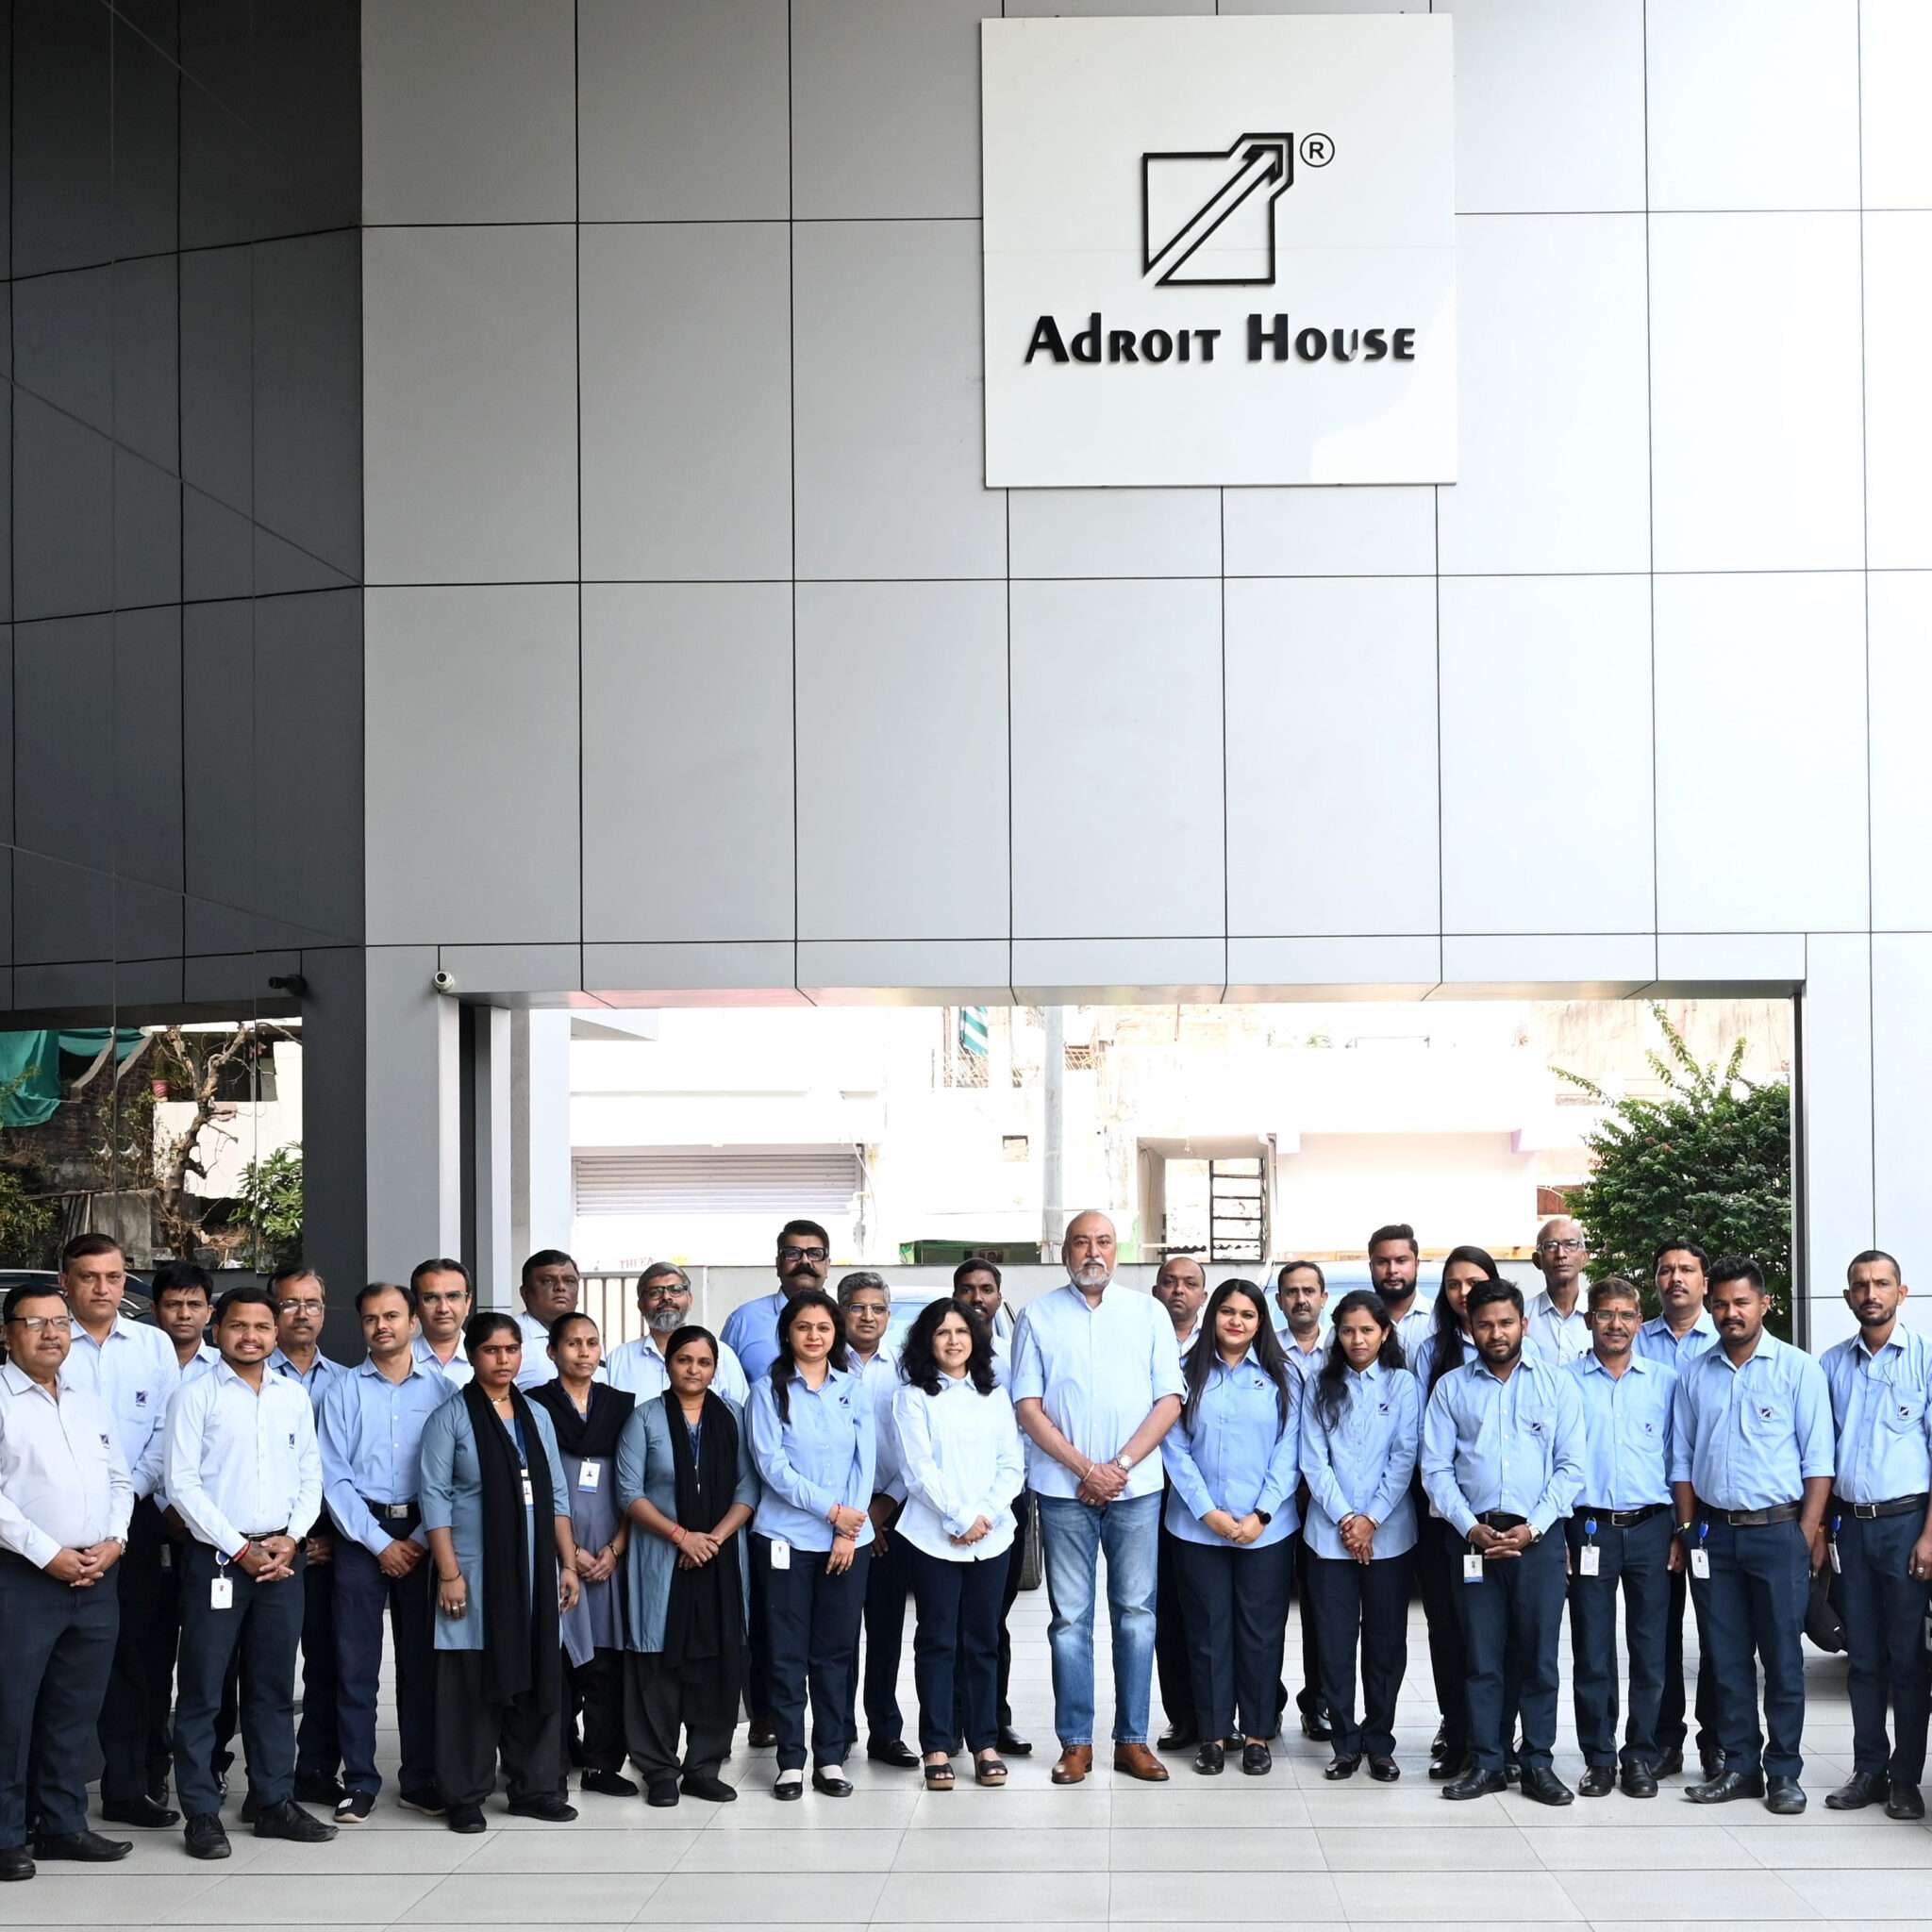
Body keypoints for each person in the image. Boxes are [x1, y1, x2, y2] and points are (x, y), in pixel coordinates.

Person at [1011, 1209, 1184, 1787]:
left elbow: (1169, 1400)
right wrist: (1086, 1469)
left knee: (1135, 1614)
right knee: (1070, 1619)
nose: (1093, 1252)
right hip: (1064, 1491)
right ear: (1064, 1252)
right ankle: (1076, 1743)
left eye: (1104, 1242)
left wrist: (1119, 1467)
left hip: (1136, 1489)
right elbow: (1028, 1406)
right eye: (1081, 1242)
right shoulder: (1037, 1316)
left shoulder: (1148, 1313)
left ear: (1117, 1250)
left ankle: (1132, 1740)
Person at [164, 1285, 336, 1858]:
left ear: (276, 1332)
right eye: (239, 1326)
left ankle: (272, 1801)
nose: (251, 1337)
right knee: (203, 1690)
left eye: (262, 1326)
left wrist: (293, 1538)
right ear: (217, 1329)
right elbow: (181, 1484)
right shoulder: (195, 1396)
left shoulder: (292, 1396)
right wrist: (239, 1549)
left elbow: (310, 1474)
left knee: (273, 1688)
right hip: (218, 1560)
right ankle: (201, 1812)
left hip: (281, 1562)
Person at [1671, 1255, 1833, 1814]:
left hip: (1778, 1532)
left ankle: (1784, 1772)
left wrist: (1804, 1534)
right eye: (1720, 1304)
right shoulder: (1695, 1374)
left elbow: (1819, 1462)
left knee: (1783, 1659)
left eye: (1741, 1302)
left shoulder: (1797, 1369)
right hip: (1714, 1537)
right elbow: (1681, 1460)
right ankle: (1740, 1766)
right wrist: (1689, 1530)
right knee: (1726, 1657)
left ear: (1764, 1303)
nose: (1730, 1313)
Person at [1422, 1277, 1584, 1807]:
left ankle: (1537, 1763)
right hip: (1473, 1539)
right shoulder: (1451, 1389)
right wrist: (1470, 1526)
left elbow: (1571, 1467)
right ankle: (1487, 1761)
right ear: (1470, 1328)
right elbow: (1436, 1468)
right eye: (1485, 1324)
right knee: (1481, 1656)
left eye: (1506, 1323)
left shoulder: (1557, 1385)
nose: (1496, 1333)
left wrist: (1533, 1528)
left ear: (1524, 1324)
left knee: (1538, 1658)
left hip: (1538, 1539)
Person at [419, 1312, 581, 1833]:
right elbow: (434, 1499)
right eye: (491, 1350)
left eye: (511, 1350)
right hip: (474, 1572)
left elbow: (556, 1494)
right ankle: (465, 1795)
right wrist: (448, 1573)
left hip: (533, 1573)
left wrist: (568, 1563)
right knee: (469, 1684)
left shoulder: (537, 1415)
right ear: (473, 1355)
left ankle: (534, 1788)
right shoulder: (450, 1417)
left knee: (537, 1675)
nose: (503, 1359)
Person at [0, 1284, 135, 1880]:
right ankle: (6, 1834)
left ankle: (61, 1825)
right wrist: (46, 1553)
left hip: (95, 1576)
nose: (52, 1334)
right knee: (11, 1710)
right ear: (7, 1334)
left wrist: (115, 1540)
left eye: (60, 1323)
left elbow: (119, 1480)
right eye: (36, 1323)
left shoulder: (86, 1400)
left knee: (74, 1710)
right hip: (23, 1578)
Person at [316, 1281, 455, 1823]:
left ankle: (420, 1779)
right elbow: (333, 1476)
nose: (382, 1327)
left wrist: (417, 1540)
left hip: (426, 1531)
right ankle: (359, 1780)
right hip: (360, 1535)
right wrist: (379, 1543)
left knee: (422, 1665)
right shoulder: (343, 1392)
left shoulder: (443, 1390)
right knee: (355, 1665)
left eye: (392, 1316)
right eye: (371, 1318)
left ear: (413, 1322)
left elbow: (452, 1474)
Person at [59, 1233, 181, 1831]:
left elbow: (166, 1430)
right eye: (89, 1277)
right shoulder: (51, 1341)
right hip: (61, 1525)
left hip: (135, 1518)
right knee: (61, 1665)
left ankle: (129, 1788)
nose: (103, 1288)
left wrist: (122, 1502)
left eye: (112, 1277)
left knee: (135, 1655)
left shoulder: (152, 1344)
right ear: (67, 1283)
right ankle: (47, 1801)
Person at [1161, 1279, 1300, 1778]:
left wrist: (1261, 1514)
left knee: (1260, 1633)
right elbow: (1174, 1447)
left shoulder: (1284, 1375)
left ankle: (1258, 1734)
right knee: (1207, 1633)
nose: (1236, 1322)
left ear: (1261, 1322)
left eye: (1247, 1314)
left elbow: (1290, 1449)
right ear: (1212, 1316)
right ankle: (1214, 1735)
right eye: (1227, 1312)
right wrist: (1208, 1512)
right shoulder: (1185, 1372)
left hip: (1266, 1530)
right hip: (1198, 1528)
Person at [617, 1324, 760, 1807]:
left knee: (718, 1660)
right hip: (662, 1558)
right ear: (669, 1364)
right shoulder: (644, 1418)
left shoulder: (734, 1416)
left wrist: (713, 1540)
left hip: (720, 1559)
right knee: (656, 1663)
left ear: (715, 1369)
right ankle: (659, 1769)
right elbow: (629, 1492)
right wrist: (682, 1537)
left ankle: (703, 1766)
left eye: (703, 1362)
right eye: (684, 1360)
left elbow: (748, 1487)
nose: (694, 1370)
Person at [745, 1290, 875, 1798]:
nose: (814, 1336)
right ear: (788, 1333)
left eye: (823, 1327)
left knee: (836, 1652)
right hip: (786, 1538)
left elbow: (864, 1462)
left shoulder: (852, 1388)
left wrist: (847, 1528)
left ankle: (830, 1757)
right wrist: (832, 1512)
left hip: (847, 1542)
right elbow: (772, 1467)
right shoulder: (767, 1391)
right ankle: (791, 1761)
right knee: (785, 1652)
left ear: (835, 1332)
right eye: (804, 1327)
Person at [892, 1299, 1024, 1789]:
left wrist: (983, 1515)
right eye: (942, 1332)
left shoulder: (995, 1395)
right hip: (934, 1537)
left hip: (992, 1536)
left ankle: (984, 1742)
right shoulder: (912, 1397)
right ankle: (936, 1745)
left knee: (983, 1641)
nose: (953, 1341)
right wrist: (960, 1516)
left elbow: (1012, 1464)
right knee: (937, 1641)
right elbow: (917, 1469)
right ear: (927, 1341)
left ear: (976, 1338)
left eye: (962, 1332)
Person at [1819, 1249, 1932, 1821]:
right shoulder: (1831, 1365)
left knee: (1907, 1658)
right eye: (1861, 1285)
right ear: (1848, 1297)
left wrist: (1930, 1536)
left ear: (1901, 1293)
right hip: (1849, 1529)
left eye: (1882, 1284)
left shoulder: (1926, 1360)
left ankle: (1906, 1778)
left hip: (1907, 1526)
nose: (1871, 1294)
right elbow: (1818, 1452)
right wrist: (1820, 1527)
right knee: (1862, 1656)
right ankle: (1868, 1769)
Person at [720, 1218, 835, 1746]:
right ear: (777, 1261)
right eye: (793, 1252)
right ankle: (766, 1714)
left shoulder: (838, 1318)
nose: (804, 1261)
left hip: (835, 1507)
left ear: (828, 1262)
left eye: (815, 1252)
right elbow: (723, 1392)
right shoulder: (744, 1321)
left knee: (834, 1632)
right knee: (769, 1618)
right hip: (764, 1496)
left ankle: (836, 1727)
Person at [1564, 1278, 1678, 1799]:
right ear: (1590, 1321)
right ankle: (1599, 1757)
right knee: (1592, 1650)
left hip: (1652, 1527)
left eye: (1626, 1315)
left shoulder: (1665, 1382)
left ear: (1639, 1321)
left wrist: (1680, 1530)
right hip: (1589, 1529)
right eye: (1606, 1314)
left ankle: (1640, 1755)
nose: (1616, 1324)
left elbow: (1679, 1458)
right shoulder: (1564, 1383)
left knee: (1651, 1649)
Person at [1299, 1290, 1419, 1782]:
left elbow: (1404, 1457)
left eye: (1367, 1329)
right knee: (1334, 1643)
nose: (1357, 1339)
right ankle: (1345, 1743)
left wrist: (1371, 1519)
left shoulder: (1403, 1384)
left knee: (1385, 1644)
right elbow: (1313, 1459)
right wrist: (1348, 1519)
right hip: (1329, 1538)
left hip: (1390, 1536)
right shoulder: (1318, 1383)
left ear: (1384, 1332)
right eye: (1347, 1330)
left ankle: (1380, 1742)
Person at [528, 1313, 637, 1800]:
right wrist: (569, 1553)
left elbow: (636, 1484)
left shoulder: (621, 1407)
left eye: (592, 1343)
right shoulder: (535, 1407)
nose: (584, 1352)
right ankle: (553, 1758)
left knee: (608, 1663)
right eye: (573, 1343)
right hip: (555, 1553)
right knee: (556, 1660)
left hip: (612, 1553)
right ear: (552, 1352)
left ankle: (602, 1764)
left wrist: (616, 1548)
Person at [1408, 1244, 1495, 1781]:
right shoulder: (1432, 1351)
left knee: (1495, 1633)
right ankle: (1456, 1729)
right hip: (1445, 1516)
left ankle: (1497, 1735)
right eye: (1454, 1284)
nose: (1464, 1293)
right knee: (1448, 1628)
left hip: (1505, 1520)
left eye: (1474, 1282)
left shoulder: (1515, 1344)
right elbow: (1425, 1438)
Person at [1636, 1238, 1721, 1782]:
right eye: (1665, 1270)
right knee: (1659, 1636)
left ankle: (1717, 1741)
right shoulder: (1635, 1339)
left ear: (1704, 1282)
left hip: (1713, 1513)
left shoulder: (1725, 1337)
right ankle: (1664, 1741)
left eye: (1686, 1269)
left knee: (1718, 1634)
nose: (1675, 1279)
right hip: (1654, 1514)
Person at [265, 1264, 346, 1810]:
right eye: (290, 1304)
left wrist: (330, 1537)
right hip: (263, 1541)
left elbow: (344, 1468)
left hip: (325, 1541)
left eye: (312, 1304)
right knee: (258, 1666)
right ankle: (254, 1774)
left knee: (326, 1661)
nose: (302, 1314)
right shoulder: (245, 1373)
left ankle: (315, 1768)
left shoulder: (344, 1381)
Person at [950, 1259, 1031, 1757]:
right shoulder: (930, 1356)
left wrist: (994, 1505)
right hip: (947, 1506)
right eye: (967, 1289)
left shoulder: (1012, 1355)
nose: (977, 1298)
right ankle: (950, 1723)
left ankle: (993, 1721)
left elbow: (1024, 1430)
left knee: (992, 1618)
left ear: (999, 1297)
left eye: (986, 1289)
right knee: (947, 1623)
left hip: (1004, 1500)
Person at [837, 1273, 914, 1768]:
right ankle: (838, 1729)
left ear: (888, 1315)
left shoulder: (907, 1368)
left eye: (878, 1308)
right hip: (837, 1519)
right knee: (840, 1633)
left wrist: (883, 1508)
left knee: (886, 1629)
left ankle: (885, 1732)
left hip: (893, 1513)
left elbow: (917, 1444)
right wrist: (854, 1516)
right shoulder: (822, 1363)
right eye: (858, 1307)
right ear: (841, 1311)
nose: (868, 1316)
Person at [1150, 1254, 1209, 1755]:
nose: (1178, 1291)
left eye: (1189, 1283)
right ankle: (1183, 1716)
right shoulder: (1141, 1339)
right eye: (1169, 1282)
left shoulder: (1221, 1342)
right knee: (1167, 1608)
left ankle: (1241, 1708)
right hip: (1153, 1489)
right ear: (1156, 1291)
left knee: (1224, 1609)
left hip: (1214, 1496)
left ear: (1203, 1296)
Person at [1274, 1259, 1331, 1747]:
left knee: (1322, 1608)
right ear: (1279, 1301)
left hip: (1326, 1499)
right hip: (1275, 1496)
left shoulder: (1344, 1349)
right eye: (1292, 1292)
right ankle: (1265, 1703)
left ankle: (1319, 1703)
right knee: (1269, 1605)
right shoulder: (1265, 1350)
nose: (1301, 1299)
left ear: (1324, 1298)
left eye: (1309, 1290)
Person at [606, 1263, 751, 1406]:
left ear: (690, 1298)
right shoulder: (619, 1359)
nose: (666, 1297)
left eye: (676, 1290)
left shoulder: (721, 1354)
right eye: (655, 1292)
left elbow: (740, 1413)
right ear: (641, 1305)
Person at [1525, 1219, 1591, 1367]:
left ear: (1585, 1258)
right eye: (1550, 1246)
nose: (1561, 1254)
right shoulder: (1522, 1317)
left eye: (1570, 1245)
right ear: (1537, 1260)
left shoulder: (1602, 1317)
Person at [513, 1251, 581, 1391]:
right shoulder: (510, 1338)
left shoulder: (589, 1336)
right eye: (547, 1281)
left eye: (569, 1281)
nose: (560, 1287)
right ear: (525, 1293)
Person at [1367, 1223, 1435, 1360]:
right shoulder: (1350, 1324)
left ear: (1416, 1265)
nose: (1392, 1270)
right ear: (1371, 1267)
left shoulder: (1440, 1319)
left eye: (1401, 1261)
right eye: (1382, 1262)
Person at [410, 1257, 475, 1390]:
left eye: (453, 1296)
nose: (443, 1309)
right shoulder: (397, 1362)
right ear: (415, 1305)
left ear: (468, 1302)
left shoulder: (491, 1360)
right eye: (431, 1298)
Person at [152, 1264, 218, 1384]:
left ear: (209, 1313)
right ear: (155, 1311)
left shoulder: (225, 1365)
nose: (184, 1314)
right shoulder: (137, 1362)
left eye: (195, 1305)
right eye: (173, 1304)